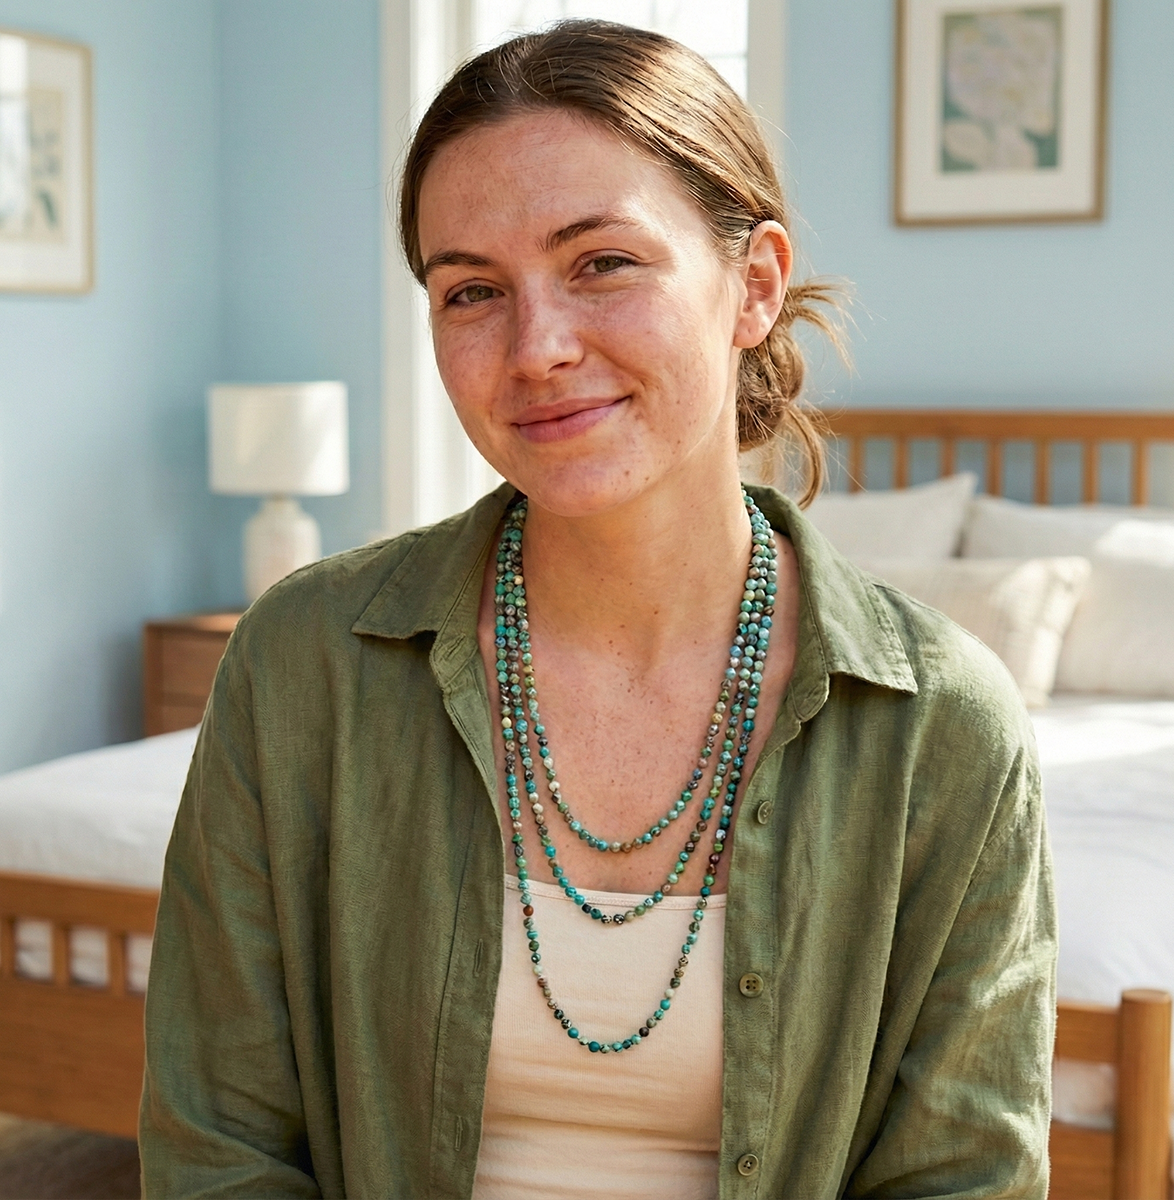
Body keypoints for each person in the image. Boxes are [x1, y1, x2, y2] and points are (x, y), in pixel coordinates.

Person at [139, 20, 1055, 1200]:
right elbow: (218, 1148)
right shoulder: (304, 658)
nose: (539, 348)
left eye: (602, 263)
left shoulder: (946, 727)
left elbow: (963, 1179)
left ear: (756, 285)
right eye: (471, 290)